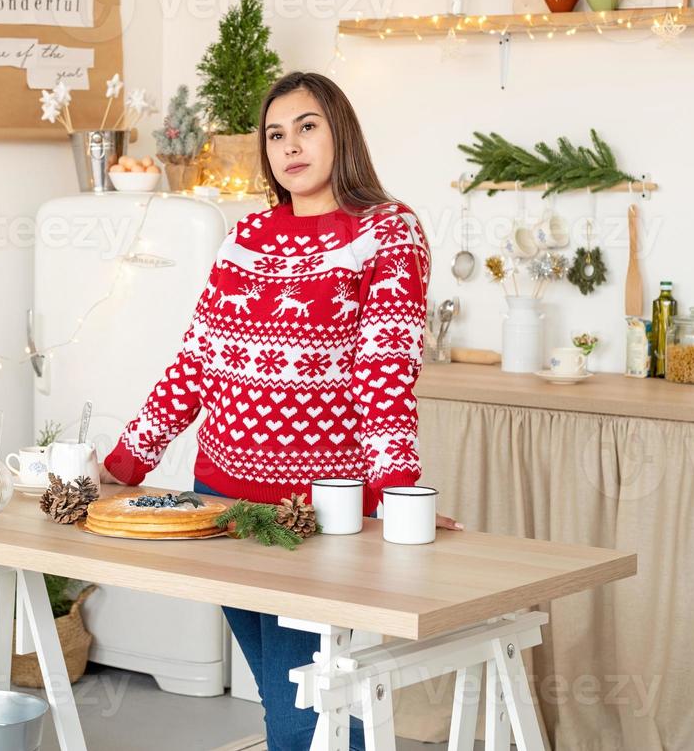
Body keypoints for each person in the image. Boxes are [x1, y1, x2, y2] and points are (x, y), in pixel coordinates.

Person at [99, 70, 462, 751]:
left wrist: (396, 493)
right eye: (275, 134)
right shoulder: (246, 237)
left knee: (307, 709)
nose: (289, 145)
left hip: (316, 513)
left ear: (340, 134)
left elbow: (384, 373)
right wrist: (125, 464)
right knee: (288, 698)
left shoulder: (387, 231)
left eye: (307, 127)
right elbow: (197, 362)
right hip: (222, 506)